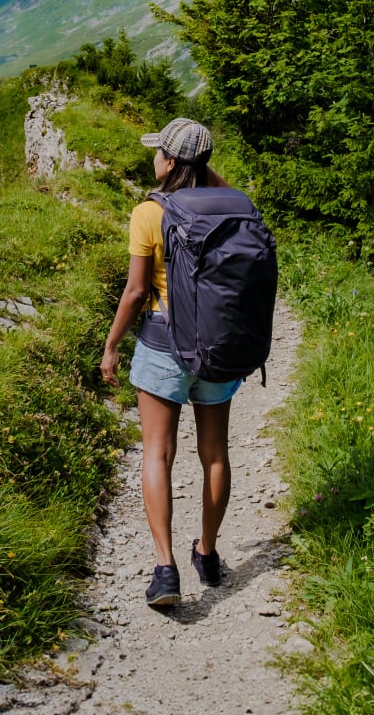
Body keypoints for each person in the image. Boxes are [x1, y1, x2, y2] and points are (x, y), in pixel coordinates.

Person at [100, 116, 238, 608]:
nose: (152, 157)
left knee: (158, 454)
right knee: (215, 455)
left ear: (171, 161)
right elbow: (230, 197)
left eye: (159, 151)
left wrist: (112, 344)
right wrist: (206, 172)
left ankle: (165, 569)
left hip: (163, 344)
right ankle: (209, 552)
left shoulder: (148, 213)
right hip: (220, 347)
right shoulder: (232, 207)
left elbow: (137, 291)